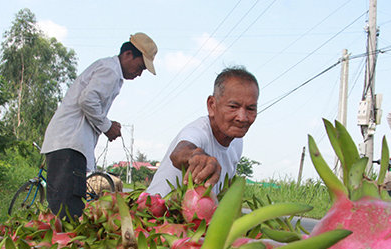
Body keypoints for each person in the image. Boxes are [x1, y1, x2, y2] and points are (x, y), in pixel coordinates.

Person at [41, 32, 158, 219]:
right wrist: (107, 125)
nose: (139, 73)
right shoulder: (111, 71)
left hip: (67, 144)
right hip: (68, 144)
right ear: (128, 55)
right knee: (67, 210)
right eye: (140, 67)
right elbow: (87, 100)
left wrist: (107, 124)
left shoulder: (109, 69)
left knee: (65, 205)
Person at [146, 66, 259, 197]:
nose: (242, 117)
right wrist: (196, 156)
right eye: (233, 107)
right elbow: (178, 153)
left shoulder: (237, 142)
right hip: (156, 213)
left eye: (250, 109)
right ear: (212, 105)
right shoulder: (197, 131)